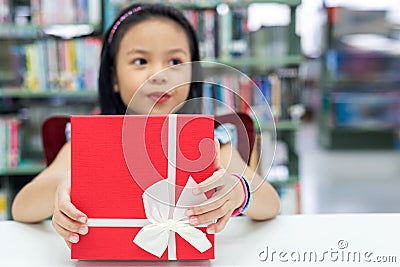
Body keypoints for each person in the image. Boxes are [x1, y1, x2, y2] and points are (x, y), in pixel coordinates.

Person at [11, 3, 280, 247]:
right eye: (140, 61)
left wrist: (239, 192)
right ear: (113, 77)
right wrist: (67, 185)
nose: (159, 75)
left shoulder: (208, 139)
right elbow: (22, 208)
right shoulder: (90, 141)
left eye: (175, 62)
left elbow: (270, 203)